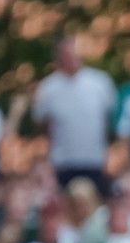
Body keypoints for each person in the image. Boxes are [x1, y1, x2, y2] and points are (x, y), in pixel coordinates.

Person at [30, 36, 118, 192]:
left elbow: (110, 120)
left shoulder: (100, 82)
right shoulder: (48, 88)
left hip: (94, 159)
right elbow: (41, 124)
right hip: (63, 161)